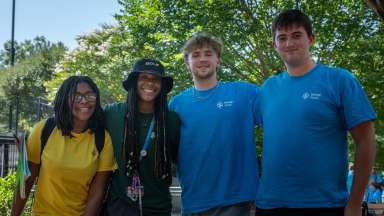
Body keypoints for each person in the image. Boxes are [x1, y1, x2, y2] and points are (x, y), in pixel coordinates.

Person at [255, 9, 376, 216]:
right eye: (282, 38)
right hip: (270, 204)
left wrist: (355, 203)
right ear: (275, 45)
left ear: (311, 39)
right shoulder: (267, 88)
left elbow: (366, 140)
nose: (289, 43)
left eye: (296, 35)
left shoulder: (340, 80)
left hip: (325, 205)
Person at [169, 32, 260, 215]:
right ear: (187, 63)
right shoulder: (176, 105)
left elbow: (282, 123)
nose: (202, 59)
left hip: (236, 200)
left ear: (218, 59)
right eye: (195, 55)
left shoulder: (245, 93)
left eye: (208, 54)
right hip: (194, 200)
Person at [11, 76, 117, 216]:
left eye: (89, 95)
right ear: (64, 99)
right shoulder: (43, 130)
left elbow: (97, 192)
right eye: (76, 95)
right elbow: (27, 180)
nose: (84, 100)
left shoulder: (103, 138)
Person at [103, 58, 180, 216]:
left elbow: (182, 158)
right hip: (120, 206)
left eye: (156, 79)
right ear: (133, 82)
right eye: (144, 77)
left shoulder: (171, 120)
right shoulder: (112, 114)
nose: (150, 83)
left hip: (159, 208)